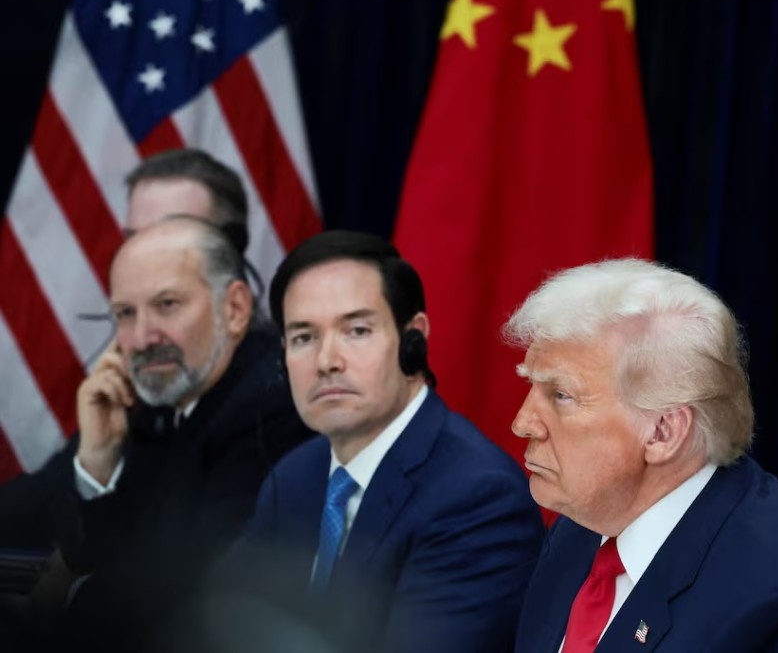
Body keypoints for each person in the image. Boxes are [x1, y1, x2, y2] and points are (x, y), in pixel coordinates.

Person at [506, 259, 778, 652]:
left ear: (664, 432)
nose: (523, 423)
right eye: (531, 386)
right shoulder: (582, 524)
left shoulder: (777, 611)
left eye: (561, 396)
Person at [225, 230, 545, 653]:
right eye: (304, 337)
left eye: (356, 330)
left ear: (413, 340)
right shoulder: (295, 476)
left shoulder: (478, 497)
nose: (326, 362)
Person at [10, 217, 310, 651]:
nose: (143, 337)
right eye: (125, 314)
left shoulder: (273, 409)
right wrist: (98, 462)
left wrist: (70, 595)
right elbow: (98, 549)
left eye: (167, 305)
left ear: (235, 309)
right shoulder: (154, 401)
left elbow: (188, 597)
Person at [0, 148, 255, 552]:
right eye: (134, 239)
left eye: (169, 232)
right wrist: (95, 469)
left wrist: (74, 586)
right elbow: (40, 505)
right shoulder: (145, 374)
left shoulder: (269, 393)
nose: (144, 256)